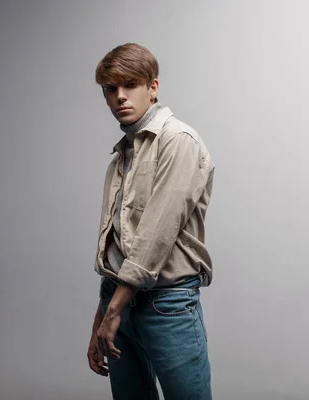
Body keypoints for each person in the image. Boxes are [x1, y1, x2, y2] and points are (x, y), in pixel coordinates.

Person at [86, 42, 216, 400]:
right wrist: (103, 316)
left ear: (153, 87)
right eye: (111, 89)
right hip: (117, 301)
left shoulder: (178, 141)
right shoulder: (122, 155)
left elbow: (154, 236)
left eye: (130, 85)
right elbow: (115, 246)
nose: (120, 97)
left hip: (166, 304)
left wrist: (113, 310)